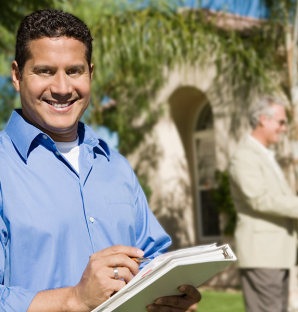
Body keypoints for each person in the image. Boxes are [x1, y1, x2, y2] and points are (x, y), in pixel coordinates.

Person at [2, 9, 200, 312]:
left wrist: (171, 295)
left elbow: (153, 257)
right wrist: (75, 299)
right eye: (44, 71)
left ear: (90, 74)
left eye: (74, 71)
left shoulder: (115, 166)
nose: (62, 88)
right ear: (17, 75)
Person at [229, 96, 298, 312]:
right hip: (262, 255)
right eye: (281, 121)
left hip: (274, 254)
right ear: (263, 120)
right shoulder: (245, 156)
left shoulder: (265, 155)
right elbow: (258, 198)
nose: (284, 128)